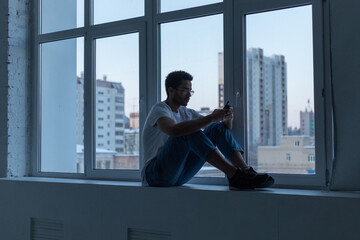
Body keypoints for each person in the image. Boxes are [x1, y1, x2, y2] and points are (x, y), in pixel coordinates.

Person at [141, 70, 274, 190]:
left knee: (215, 127)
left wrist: (226, 118)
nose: (189, 95)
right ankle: (234, 175)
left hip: (180, 174)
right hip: (156, 175)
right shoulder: (159, 109)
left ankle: (245, 172)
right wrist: (211, 117)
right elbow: (173, 131)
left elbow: (223, 129)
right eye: (184, 90)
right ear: (171, 91)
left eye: (190, 91)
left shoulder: (187, 113)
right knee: (187, 131)